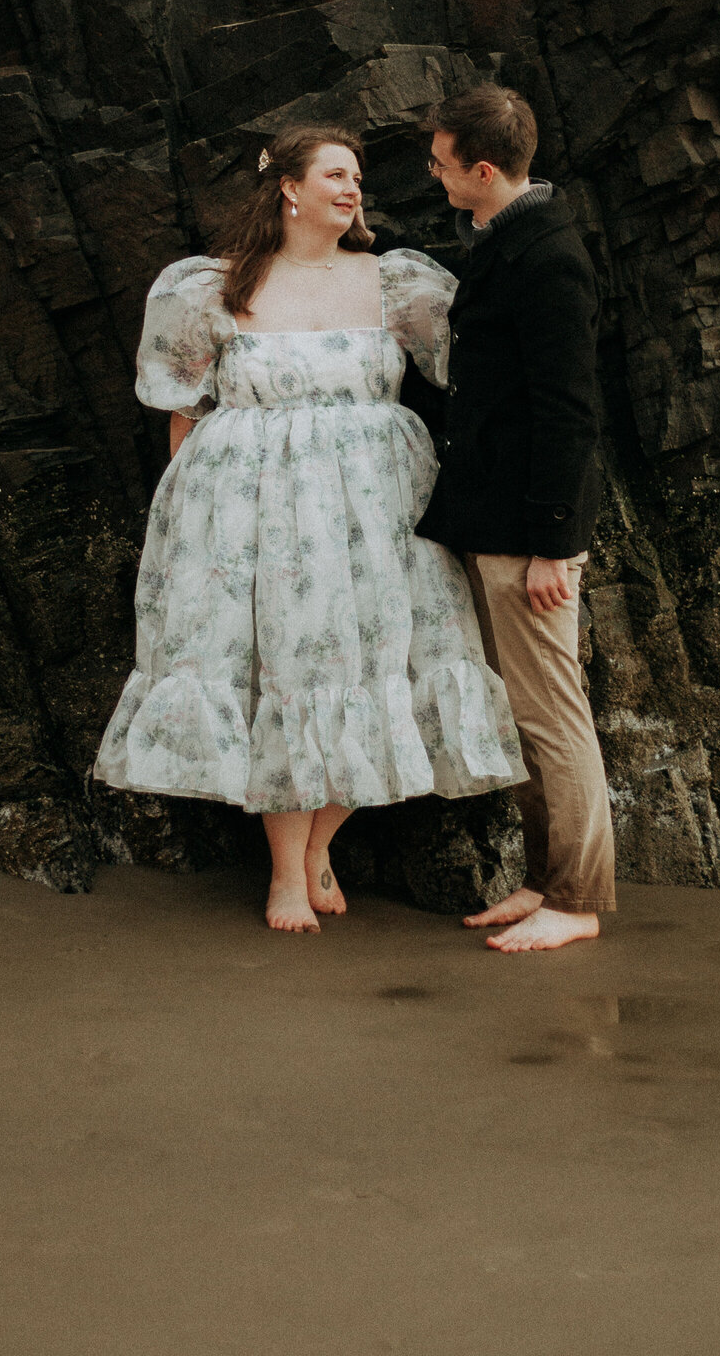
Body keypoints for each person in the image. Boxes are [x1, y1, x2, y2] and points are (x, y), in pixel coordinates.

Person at [92, 123, 526, 934]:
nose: (354, 187)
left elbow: (483, 363)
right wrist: (188, 526)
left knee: (379, 673)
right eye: (335, 174)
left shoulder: (394, 282)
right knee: (290, 674)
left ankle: (320, 845)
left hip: (378, 513)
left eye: (357, 176)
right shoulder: (214, 287)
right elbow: (184, 413)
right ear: (289, 189)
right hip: (261, 518)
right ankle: (286, 875)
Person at [419, 84, 616, 954]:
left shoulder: (550, 257)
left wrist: (554, 545)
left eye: (441, 163)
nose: (434, 174)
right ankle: (542, 881)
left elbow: (570, 411)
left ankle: (577, 902)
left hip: (527, 532)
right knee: (523, 715)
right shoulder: (507, 239)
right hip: (493, 516)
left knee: (553, 714)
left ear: (485, 170)